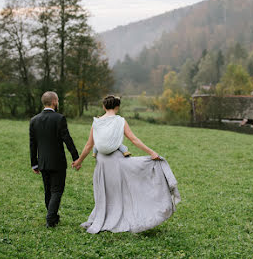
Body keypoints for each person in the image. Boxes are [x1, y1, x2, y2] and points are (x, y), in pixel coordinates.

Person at [72, 95, 181, 233]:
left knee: (105, 192)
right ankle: (119, 217)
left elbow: (88, 145)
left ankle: (104, 217)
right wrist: (151, 152)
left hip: (102, 163)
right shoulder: (121, 121)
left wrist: (79, 161)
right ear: (117, 107)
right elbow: (134, 140)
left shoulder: (96, 122)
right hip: (116, 161)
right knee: (119, 193)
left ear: (104, 107)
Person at [29, 91, 79, 228]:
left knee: (48, 191)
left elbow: (32, 144)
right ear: (54, 102)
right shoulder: (59, 118)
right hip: (58, 162)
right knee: (57, 191)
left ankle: (54, 217)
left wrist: (34, 163)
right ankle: (50, 219)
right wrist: (76, 157)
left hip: (43, 162)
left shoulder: (34, 120)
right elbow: (67, 139)